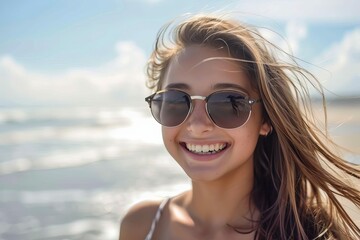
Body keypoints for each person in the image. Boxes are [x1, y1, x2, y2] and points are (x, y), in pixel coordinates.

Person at [119, 13, 360, 240]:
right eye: (176, 101)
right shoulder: (142, 225)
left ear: (265, 119)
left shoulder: (307, 232)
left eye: (228, 102)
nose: (197, 125)